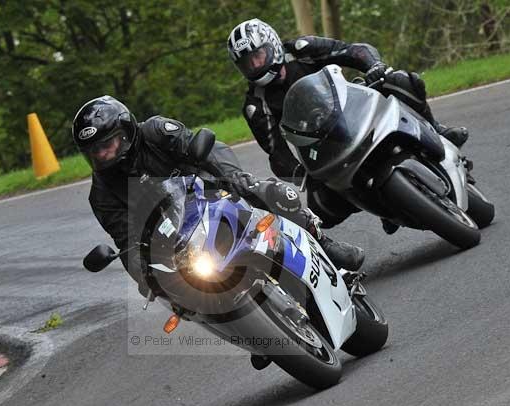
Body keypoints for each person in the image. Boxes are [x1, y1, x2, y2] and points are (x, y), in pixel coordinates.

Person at [72, 95, 365, 295]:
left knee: (271, 193)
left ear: (125, 131)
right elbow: (126, 242)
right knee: (176, 294)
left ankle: (321, 241)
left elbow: (204, 146)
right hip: (176, 237)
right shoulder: (101, 195)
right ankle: (247, 326)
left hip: (212, 192)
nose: (103, 154)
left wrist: (232, 177)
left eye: (107, 144)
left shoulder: (155, 131)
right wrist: (144, 276)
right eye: (95, 151)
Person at [226, 18, 468, 232]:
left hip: (354, 107)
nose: (256, 65)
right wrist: (302, 174)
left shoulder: (302, 50)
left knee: (402, 81)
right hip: (322, 148)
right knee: (321, 208)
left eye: (258, 56)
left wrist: (375, 66)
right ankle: (385, 206)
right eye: (248, 63)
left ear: (273, 45)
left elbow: (354, 51)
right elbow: (276, 152)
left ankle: (436, 129)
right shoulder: (256, 106)